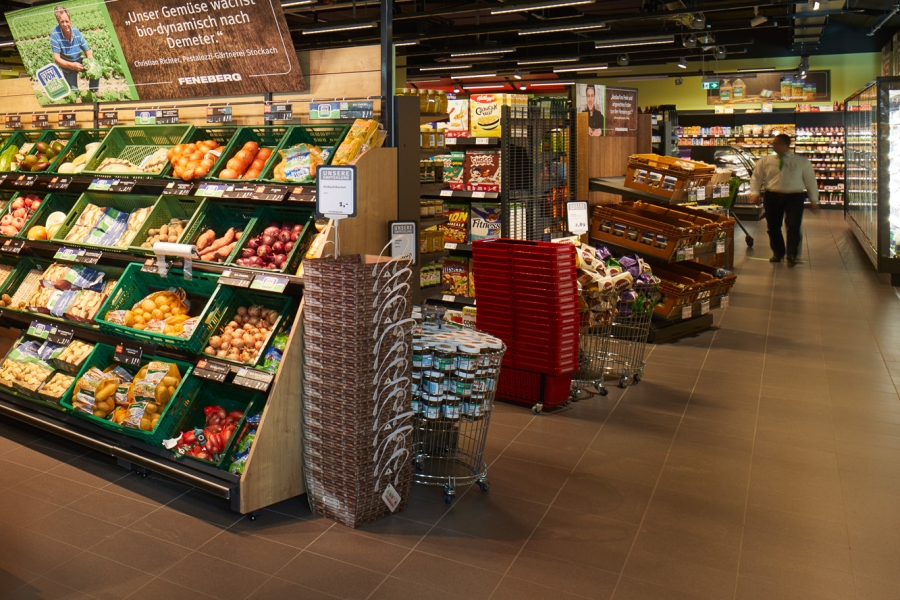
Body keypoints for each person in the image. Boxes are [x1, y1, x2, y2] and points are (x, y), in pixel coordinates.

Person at [749, 133, 819, 267]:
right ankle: (778, 252)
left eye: (776, 142)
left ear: (785, 145)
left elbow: (810, 180)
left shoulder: (801, 161)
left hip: (795, 196)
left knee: (793, 226)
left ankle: (792, 254)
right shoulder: (765, 160)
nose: (773, 145)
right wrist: (754, 192)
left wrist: (813, 199)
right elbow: (756, 177)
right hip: (772, 196)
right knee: (773, 226)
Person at [50, 6, 98, 97]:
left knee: (96, 67)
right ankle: (76, 94)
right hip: (67, 67)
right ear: (58, 21)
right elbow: (57, 59)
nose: (65, 24)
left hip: (79, 60)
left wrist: (92, 66)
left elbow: (88, 51)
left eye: (67, 21)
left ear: (70, 20)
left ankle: (94, 90)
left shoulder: (76, 32)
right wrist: (72, 65)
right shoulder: (55, 35)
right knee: (74, 93)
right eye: (62, 22)